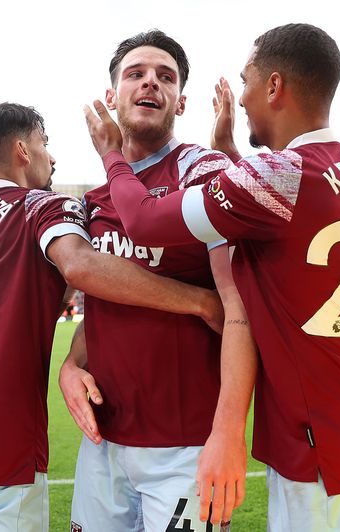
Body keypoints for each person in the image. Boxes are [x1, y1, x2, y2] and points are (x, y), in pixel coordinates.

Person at [86, 23, 340, 531]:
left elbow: (145, 222)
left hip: (327, 453)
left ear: (275, 87)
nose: (240, 98)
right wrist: (233, 157)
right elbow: (292, 210)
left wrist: (111, 154)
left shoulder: (275, 175)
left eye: (245, 82)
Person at [0, 100, 223, 532]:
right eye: (44, 144)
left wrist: (74, 359)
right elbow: (81, 266)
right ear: (22, 152)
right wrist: (198, 301)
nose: (53, 157)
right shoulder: (45, 207)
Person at [59, 30, 250, 531]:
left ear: (181, 103)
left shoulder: (200, 171)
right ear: (111, 96)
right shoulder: (98, 197)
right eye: (136, 74)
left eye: (166, 78)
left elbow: (237, 306)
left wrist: (229, 432)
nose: (151, 84)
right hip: (104, 442)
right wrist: (70, 364)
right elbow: (104, 305)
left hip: (185, 445)